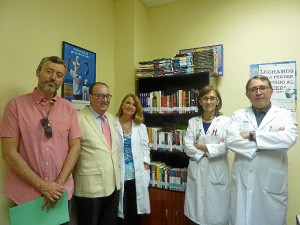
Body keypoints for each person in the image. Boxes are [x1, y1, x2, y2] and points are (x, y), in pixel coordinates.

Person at [0, 56, 82, 224]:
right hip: (26, 196)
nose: (53, 78)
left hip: (60, 195)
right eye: (49, 71)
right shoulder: (15, 106)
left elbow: (75, 147)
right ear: (38, 72)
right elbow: (8, 152)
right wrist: (43, 186)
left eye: (59, 75)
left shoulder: (69, 109)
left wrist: (57, 185)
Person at [226, 75, 298, 225]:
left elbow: (288, 139)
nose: (258, 92)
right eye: (253, 89)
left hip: (271, 182)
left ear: (271, 91)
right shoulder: (239, 115)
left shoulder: (285, 115)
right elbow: (231, 140)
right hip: (243, 179)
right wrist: (271, 140)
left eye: (263, 88)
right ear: (247, 95)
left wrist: (252, 136)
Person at [73, 82, 120, 225]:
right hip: (89, 189)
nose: (105, 100)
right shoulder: (77, 118)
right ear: (89, 97)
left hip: (112, 185)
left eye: (107, 96)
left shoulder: (111, 119)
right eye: (100, 96)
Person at [184, 85, 231, 225]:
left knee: (215, 215)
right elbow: (187, 147)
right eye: (205, 98)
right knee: (196, 215)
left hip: (217, 172)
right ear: (200, 101)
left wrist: (201, 146)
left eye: (212, 98)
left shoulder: (226, 122)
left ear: (217, 101)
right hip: (197, 170)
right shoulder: (193, 122)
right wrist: (212, 149)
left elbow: (225, 147)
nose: (208, 101)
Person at [115, 93, 151, 225]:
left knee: (133, 213)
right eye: (128, 103)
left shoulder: (140, 127)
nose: (130, 106)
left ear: (137, 109)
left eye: (134, 104)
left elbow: (145, 148)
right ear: (122, 105)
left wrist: (146, 166)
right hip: (118, 175)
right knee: (119, 214)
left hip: (136, 176)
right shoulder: (112, 123)